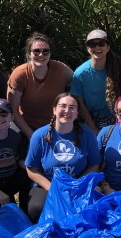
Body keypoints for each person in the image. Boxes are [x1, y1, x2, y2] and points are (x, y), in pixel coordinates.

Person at [24, 93, 102, 222]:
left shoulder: (87, 134)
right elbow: (32, 169)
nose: (67, 111)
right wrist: (53, 189)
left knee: (94, 205)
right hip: (48, 185)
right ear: (54, 110)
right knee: (36, 207)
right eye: (63, 106)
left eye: (72, 107)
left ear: (77, 114)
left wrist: (77, 186)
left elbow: (94, 165)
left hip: (78, 184)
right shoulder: (39, 136)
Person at [7, 32, 73, 140]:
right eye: (36, 51)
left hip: (56, 126)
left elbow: (80, 83)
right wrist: (32, 136)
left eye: (45, 51)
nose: (41, 55)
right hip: (27, 126)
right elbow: (13, 110)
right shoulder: (20, 74)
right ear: (29, 54)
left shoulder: (61, 69)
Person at [72, 29, 121, 130]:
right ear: (87, 48)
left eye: (101, 43)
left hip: (118, 117)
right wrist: (93, 129)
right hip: (90, 119)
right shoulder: (80, 73)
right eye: (92, 44)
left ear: (107, 47)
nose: (97, 47)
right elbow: (80, 104)